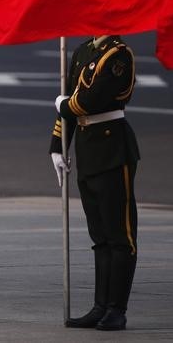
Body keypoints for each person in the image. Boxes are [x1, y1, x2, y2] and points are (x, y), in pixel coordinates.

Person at [51, 35, 139, 331]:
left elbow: (89, 100)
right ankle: (100, 306)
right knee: (99, 237)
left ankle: (116, 309)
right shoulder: (84, 50)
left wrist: (64, 105)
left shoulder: (118, 55)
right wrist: (56, 145)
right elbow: (70, 98)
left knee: (119, 235)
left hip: (112, 148)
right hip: (88, 150)